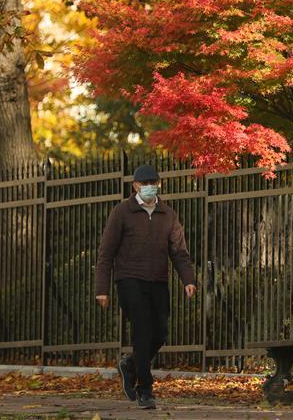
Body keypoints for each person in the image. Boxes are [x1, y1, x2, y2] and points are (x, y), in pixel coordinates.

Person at [94, 164, 197, 410]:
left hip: (158, 280)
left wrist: (189, 280)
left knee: (160, 333)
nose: (150, 187)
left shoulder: (168, 214)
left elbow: (179, 252)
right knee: (141, 331)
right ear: (135, 186)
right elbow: (106, 252)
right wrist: (102, 288)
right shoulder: (122, 212)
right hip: (129, 279)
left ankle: (129, 365)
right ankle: (145, 389)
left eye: (154, 183)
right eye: (145, 183)